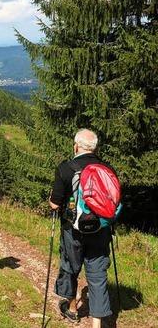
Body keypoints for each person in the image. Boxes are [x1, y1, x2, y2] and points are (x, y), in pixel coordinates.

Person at [50, 129, 114, 327]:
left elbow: (54, 204)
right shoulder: (107, 169)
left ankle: (72, 310)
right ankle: (97, 324)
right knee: (97, 275)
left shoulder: (66, 168)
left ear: (76, 146)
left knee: (70, 267)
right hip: (101, 229)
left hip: (73, 229)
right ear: (95, 148)